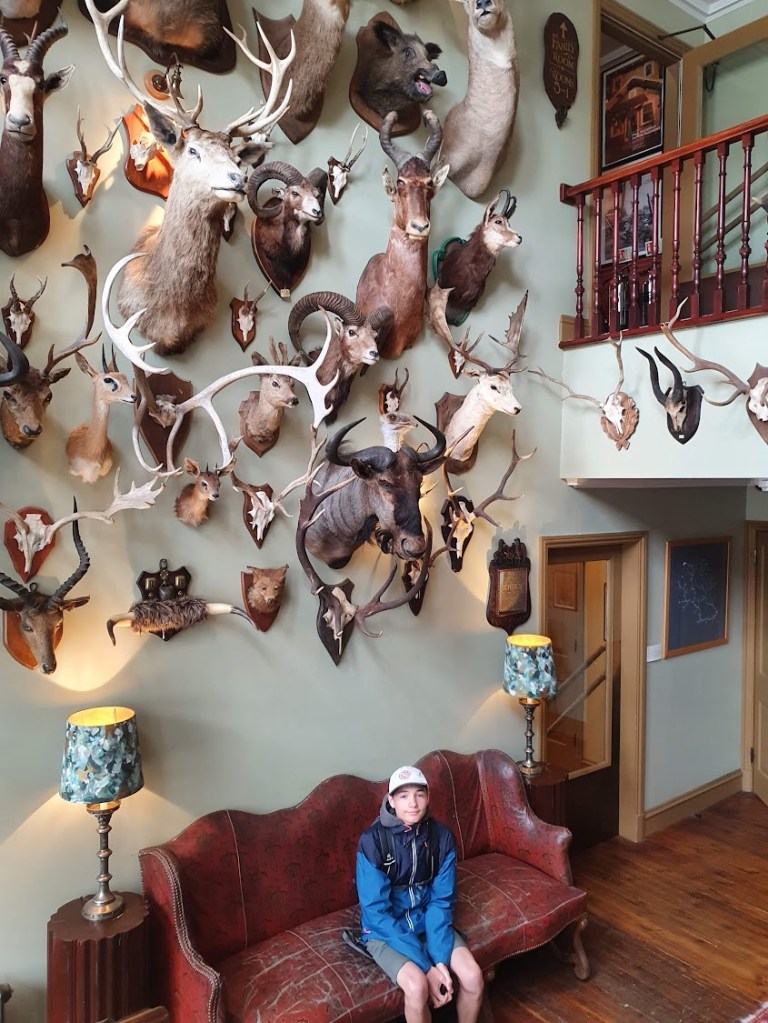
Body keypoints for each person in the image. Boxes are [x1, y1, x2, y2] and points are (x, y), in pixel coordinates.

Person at [355, 765, 484, 1023]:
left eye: (419, 794)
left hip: (427, 921)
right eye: (403, 796)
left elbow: (441, 901)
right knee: (416, 987)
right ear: (390, 800)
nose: (412, 803)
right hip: (385, 931)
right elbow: (376, 913)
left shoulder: (442, 837)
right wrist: (427, 968)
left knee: (472, 976)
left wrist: (438, 962)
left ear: (428, 797)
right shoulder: (373, 842)